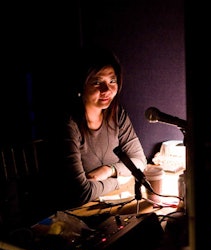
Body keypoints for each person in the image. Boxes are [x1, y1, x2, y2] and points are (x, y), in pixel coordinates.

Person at [45, 46, 147, 210]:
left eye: (112, 81)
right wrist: (123, 177)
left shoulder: (117, 113)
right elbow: (80, 192)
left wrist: (109, 170)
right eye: (97, 82)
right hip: (75, 213)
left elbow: (140, 162)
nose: (107, 90)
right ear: (80, 85)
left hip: (110, 204)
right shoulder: (67, 124)